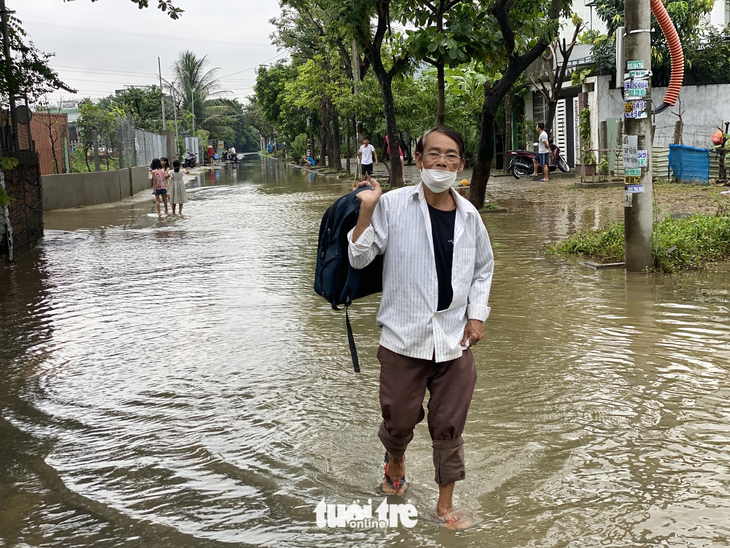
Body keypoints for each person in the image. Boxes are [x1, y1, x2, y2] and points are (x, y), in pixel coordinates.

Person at [348, 127, 494, 530]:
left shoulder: (470, 215)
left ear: (460, 164)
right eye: (434, 154)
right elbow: (359, 258)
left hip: (454, 342)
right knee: (398, 419)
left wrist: (476, 315)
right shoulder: (392, 205)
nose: (442, 163)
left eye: (450, 156)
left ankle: (445, 506)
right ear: (418, 159)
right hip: (402, 338)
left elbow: (483, 268)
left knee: (449, 426)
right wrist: (366, 209)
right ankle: (395, 461)